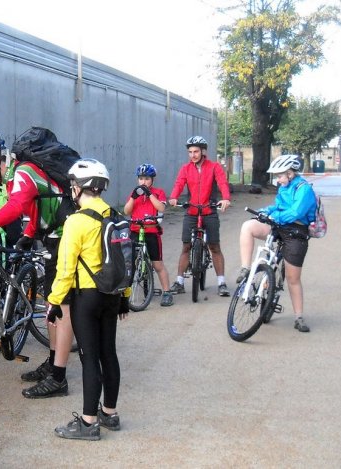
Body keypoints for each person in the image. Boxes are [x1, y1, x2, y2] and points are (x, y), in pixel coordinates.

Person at [0, 128, 72, 399]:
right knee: (53, 306)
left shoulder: (22, 172)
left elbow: (18, 206)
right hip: (55, 238)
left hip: (67, 239)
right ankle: (53, 363)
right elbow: (36, 204)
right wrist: (29, 235)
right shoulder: (15, 177)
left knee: (61, 307)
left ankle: (58, 378)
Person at [49, 158, 129, 441]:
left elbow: (66, 268)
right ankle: (110, 412)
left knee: (89, 358)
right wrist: (125, 296)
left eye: (73, 185)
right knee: (110, 353)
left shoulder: (76, 221)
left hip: (88, 297)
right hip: (113, 295)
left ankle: (88, 422)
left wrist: (54, 301)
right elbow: (125, 260)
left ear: (79, 188)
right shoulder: (117, 216)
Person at [236, 154, 316, 333]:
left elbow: (295, 212)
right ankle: (245, 268)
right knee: (248, 226)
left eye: (279, 176)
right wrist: (264, 212)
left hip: (296, 233)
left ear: (290, 173)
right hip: (279, 226)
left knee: (293, 279)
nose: (277, 180)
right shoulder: (284, 187)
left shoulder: (304, 189)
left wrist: (274, 217)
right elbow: (277, 206)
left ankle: (299, 317)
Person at [168, 136, 232, 297]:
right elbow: (179, 183)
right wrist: (174, 197)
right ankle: (179, 282)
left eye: (196, 151)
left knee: (214, 247)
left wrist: (225, 198)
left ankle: (221, 283)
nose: (193, 155)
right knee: (186, 246)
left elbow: (222, 183)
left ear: (203, 151)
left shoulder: (214, 167)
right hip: (191, 211)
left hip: (209, 210)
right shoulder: (185, 168)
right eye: (190, 152)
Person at [124, 163, 174, 307]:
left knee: (157, 264)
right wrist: (133, 197)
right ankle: (126, 293)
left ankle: (166, 292)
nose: (143, 182)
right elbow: (127, 211)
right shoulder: (134, 194)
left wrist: (149, 194)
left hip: (151, 231)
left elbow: (161, 208)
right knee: (130, 262)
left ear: (152, 180)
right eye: (141, 179)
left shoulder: (158, 192)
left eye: (146, 179)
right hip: (135, 230)